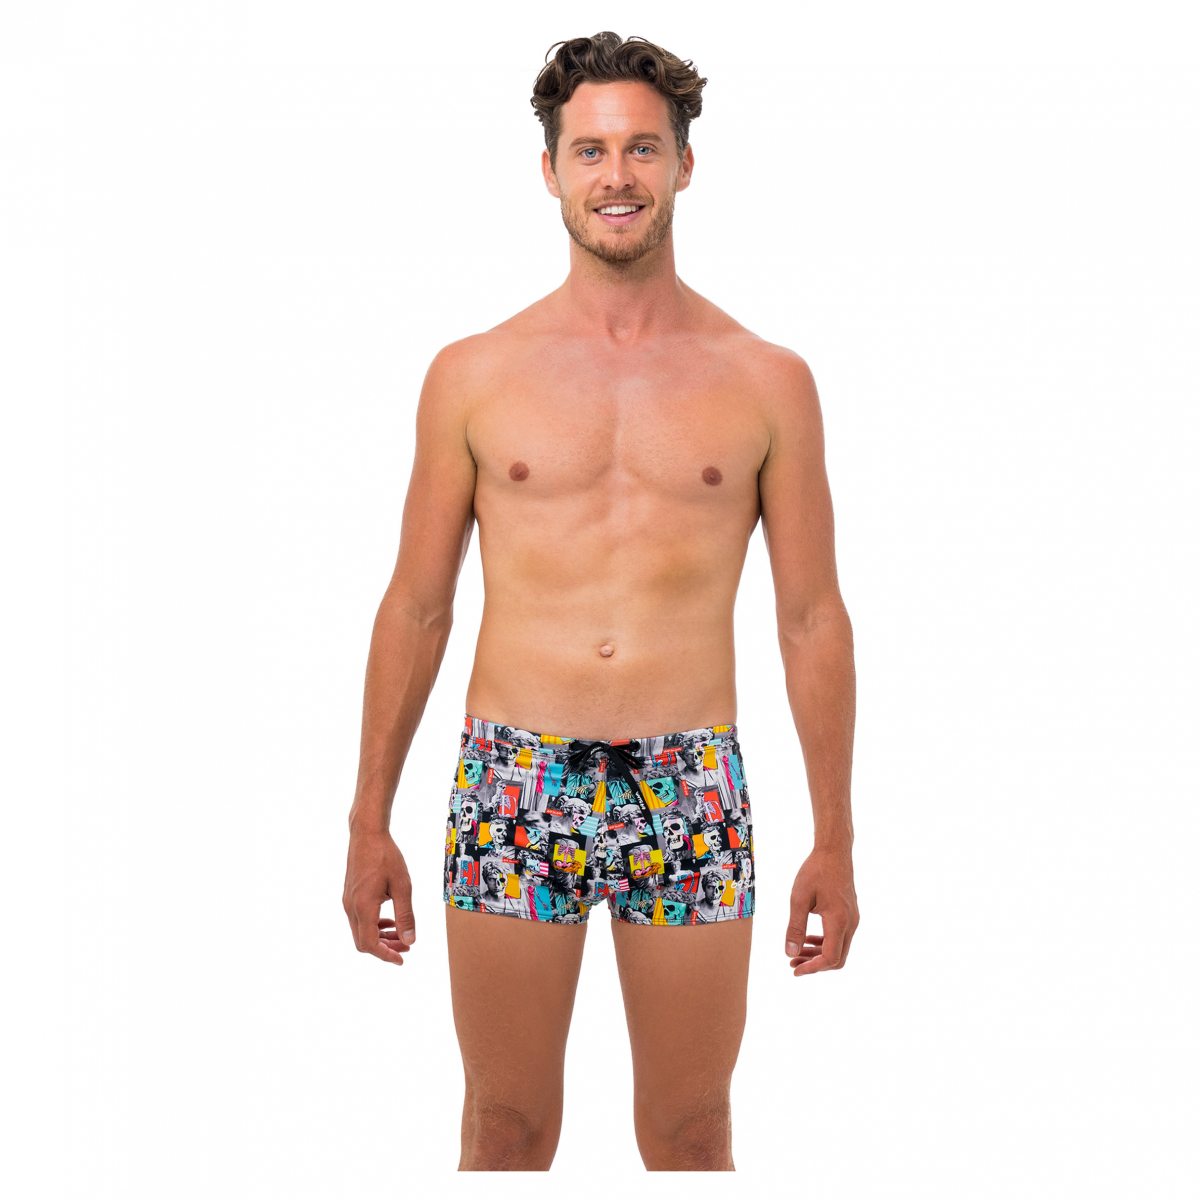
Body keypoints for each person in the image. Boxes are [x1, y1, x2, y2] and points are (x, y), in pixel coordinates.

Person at [341, 31, 859, 1172]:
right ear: (550, 171)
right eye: (589, 151)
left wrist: (837, 835)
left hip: (690, 782)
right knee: (505, 1127)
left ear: (684, 164)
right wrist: (367, 817)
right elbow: (417, 605)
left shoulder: (768, 380)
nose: (615, 176)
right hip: (516, 776)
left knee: (693, 1131)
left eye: (640, 148)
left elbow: (811, 617)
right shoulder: (473, 374)